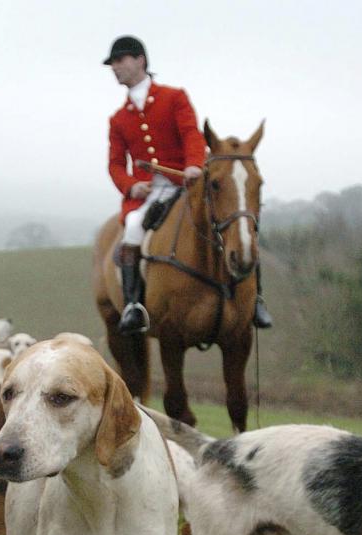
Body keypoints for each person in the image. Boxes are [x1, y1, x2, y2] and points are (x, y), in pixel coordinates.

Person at [104, 36, 272, 334]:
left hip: (186, 183)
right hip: (147, 194)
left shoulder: (174, 97)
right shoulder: (118, 119)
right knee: (132, 228)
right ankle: (133, 306)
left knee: (235, 220)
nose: (115, 67)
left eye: (120, 61)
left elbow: (192, 135)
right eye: (113, 63)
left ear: (140, 60)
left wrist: (194, 164)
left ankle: (255, 299)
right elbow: (115, 164)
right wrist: (131, 187)